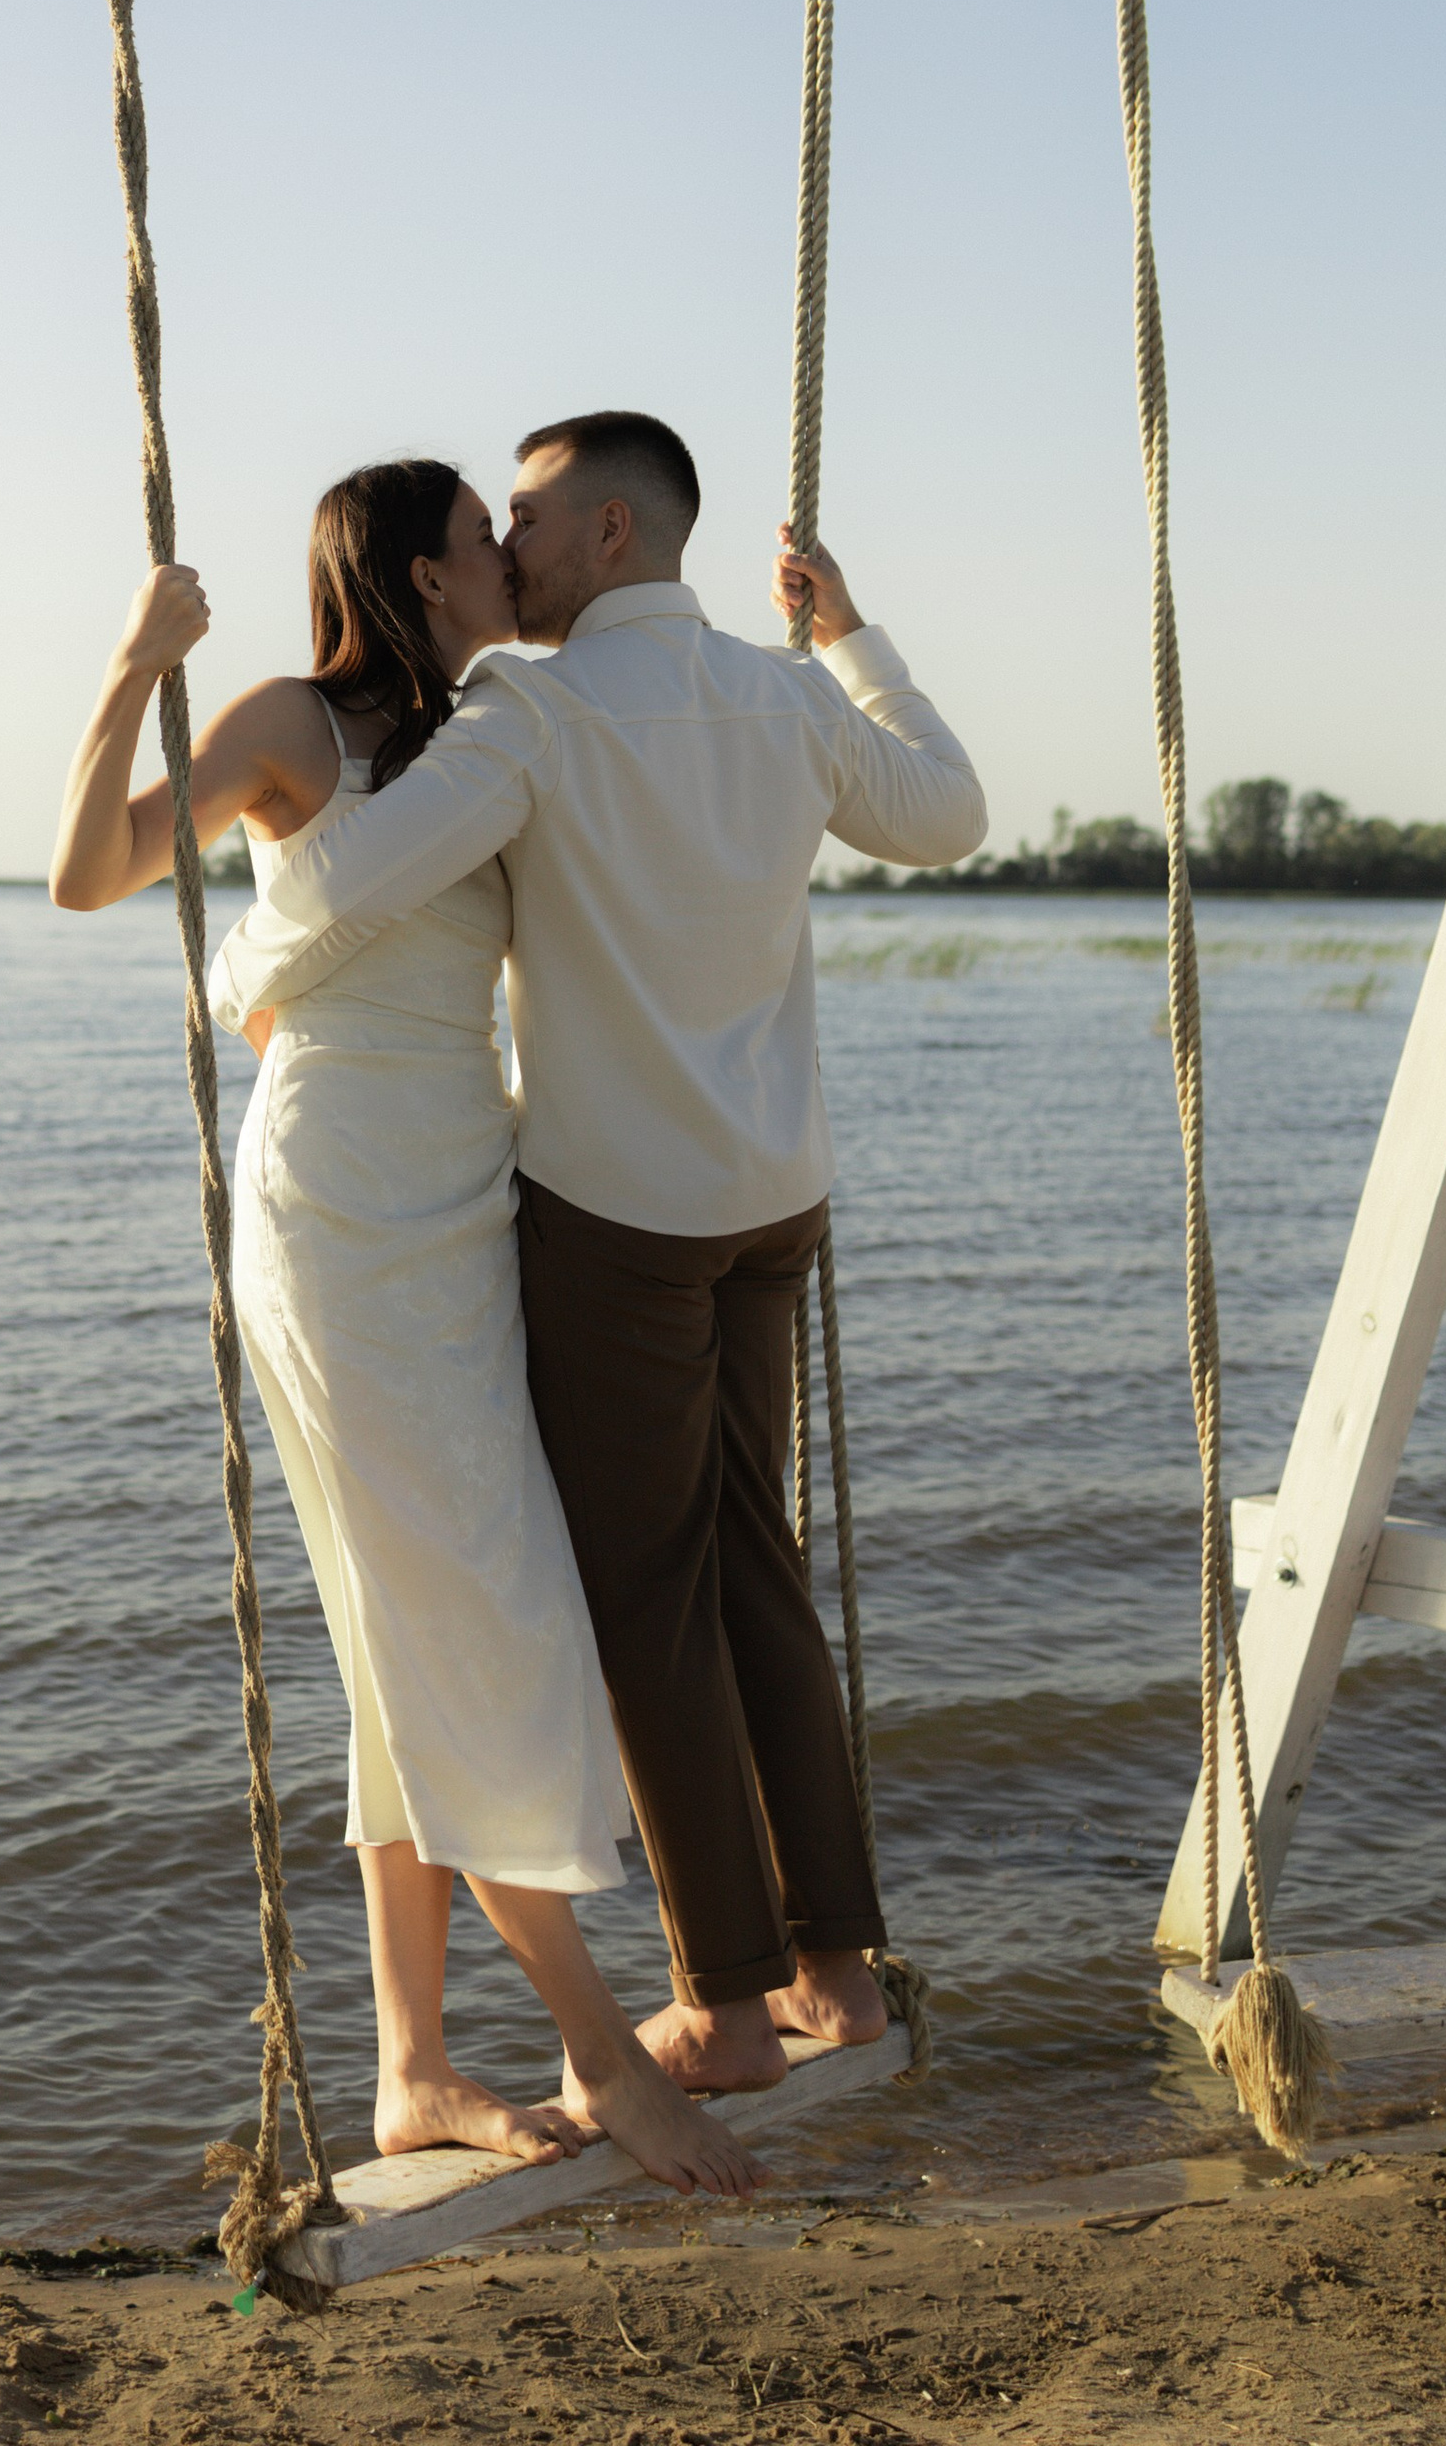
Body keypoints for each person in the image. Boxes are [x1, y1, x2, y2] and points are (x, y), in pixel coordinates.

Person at [208, 412, 985, 2101]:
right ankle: (837, 1975)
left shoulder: (530, 710)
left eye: (537, 520)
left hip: (622, 1226)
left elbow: (353, 883)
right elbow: (950, 813)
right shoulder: (789, 697)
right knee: (756, 1567)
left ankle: (718, 2005)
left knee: (649, 1601)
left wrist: (241, 968)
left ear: (617, 535)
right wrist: (852, 636)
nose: (516, 550)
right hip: (776, 1205)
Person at [51, 456, 759, 2197]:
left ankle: (416, 2072)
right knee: (475, 1621)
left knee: (414, 1631)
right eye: (481, 537)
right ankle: (603, 2053)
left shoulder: (498, 738)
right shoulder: (301, 722)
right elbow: (92, 873)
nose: (511, 556)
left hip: (466, 1200)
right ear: (423, 576)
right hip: (337, 1218)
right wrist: (141, 664)